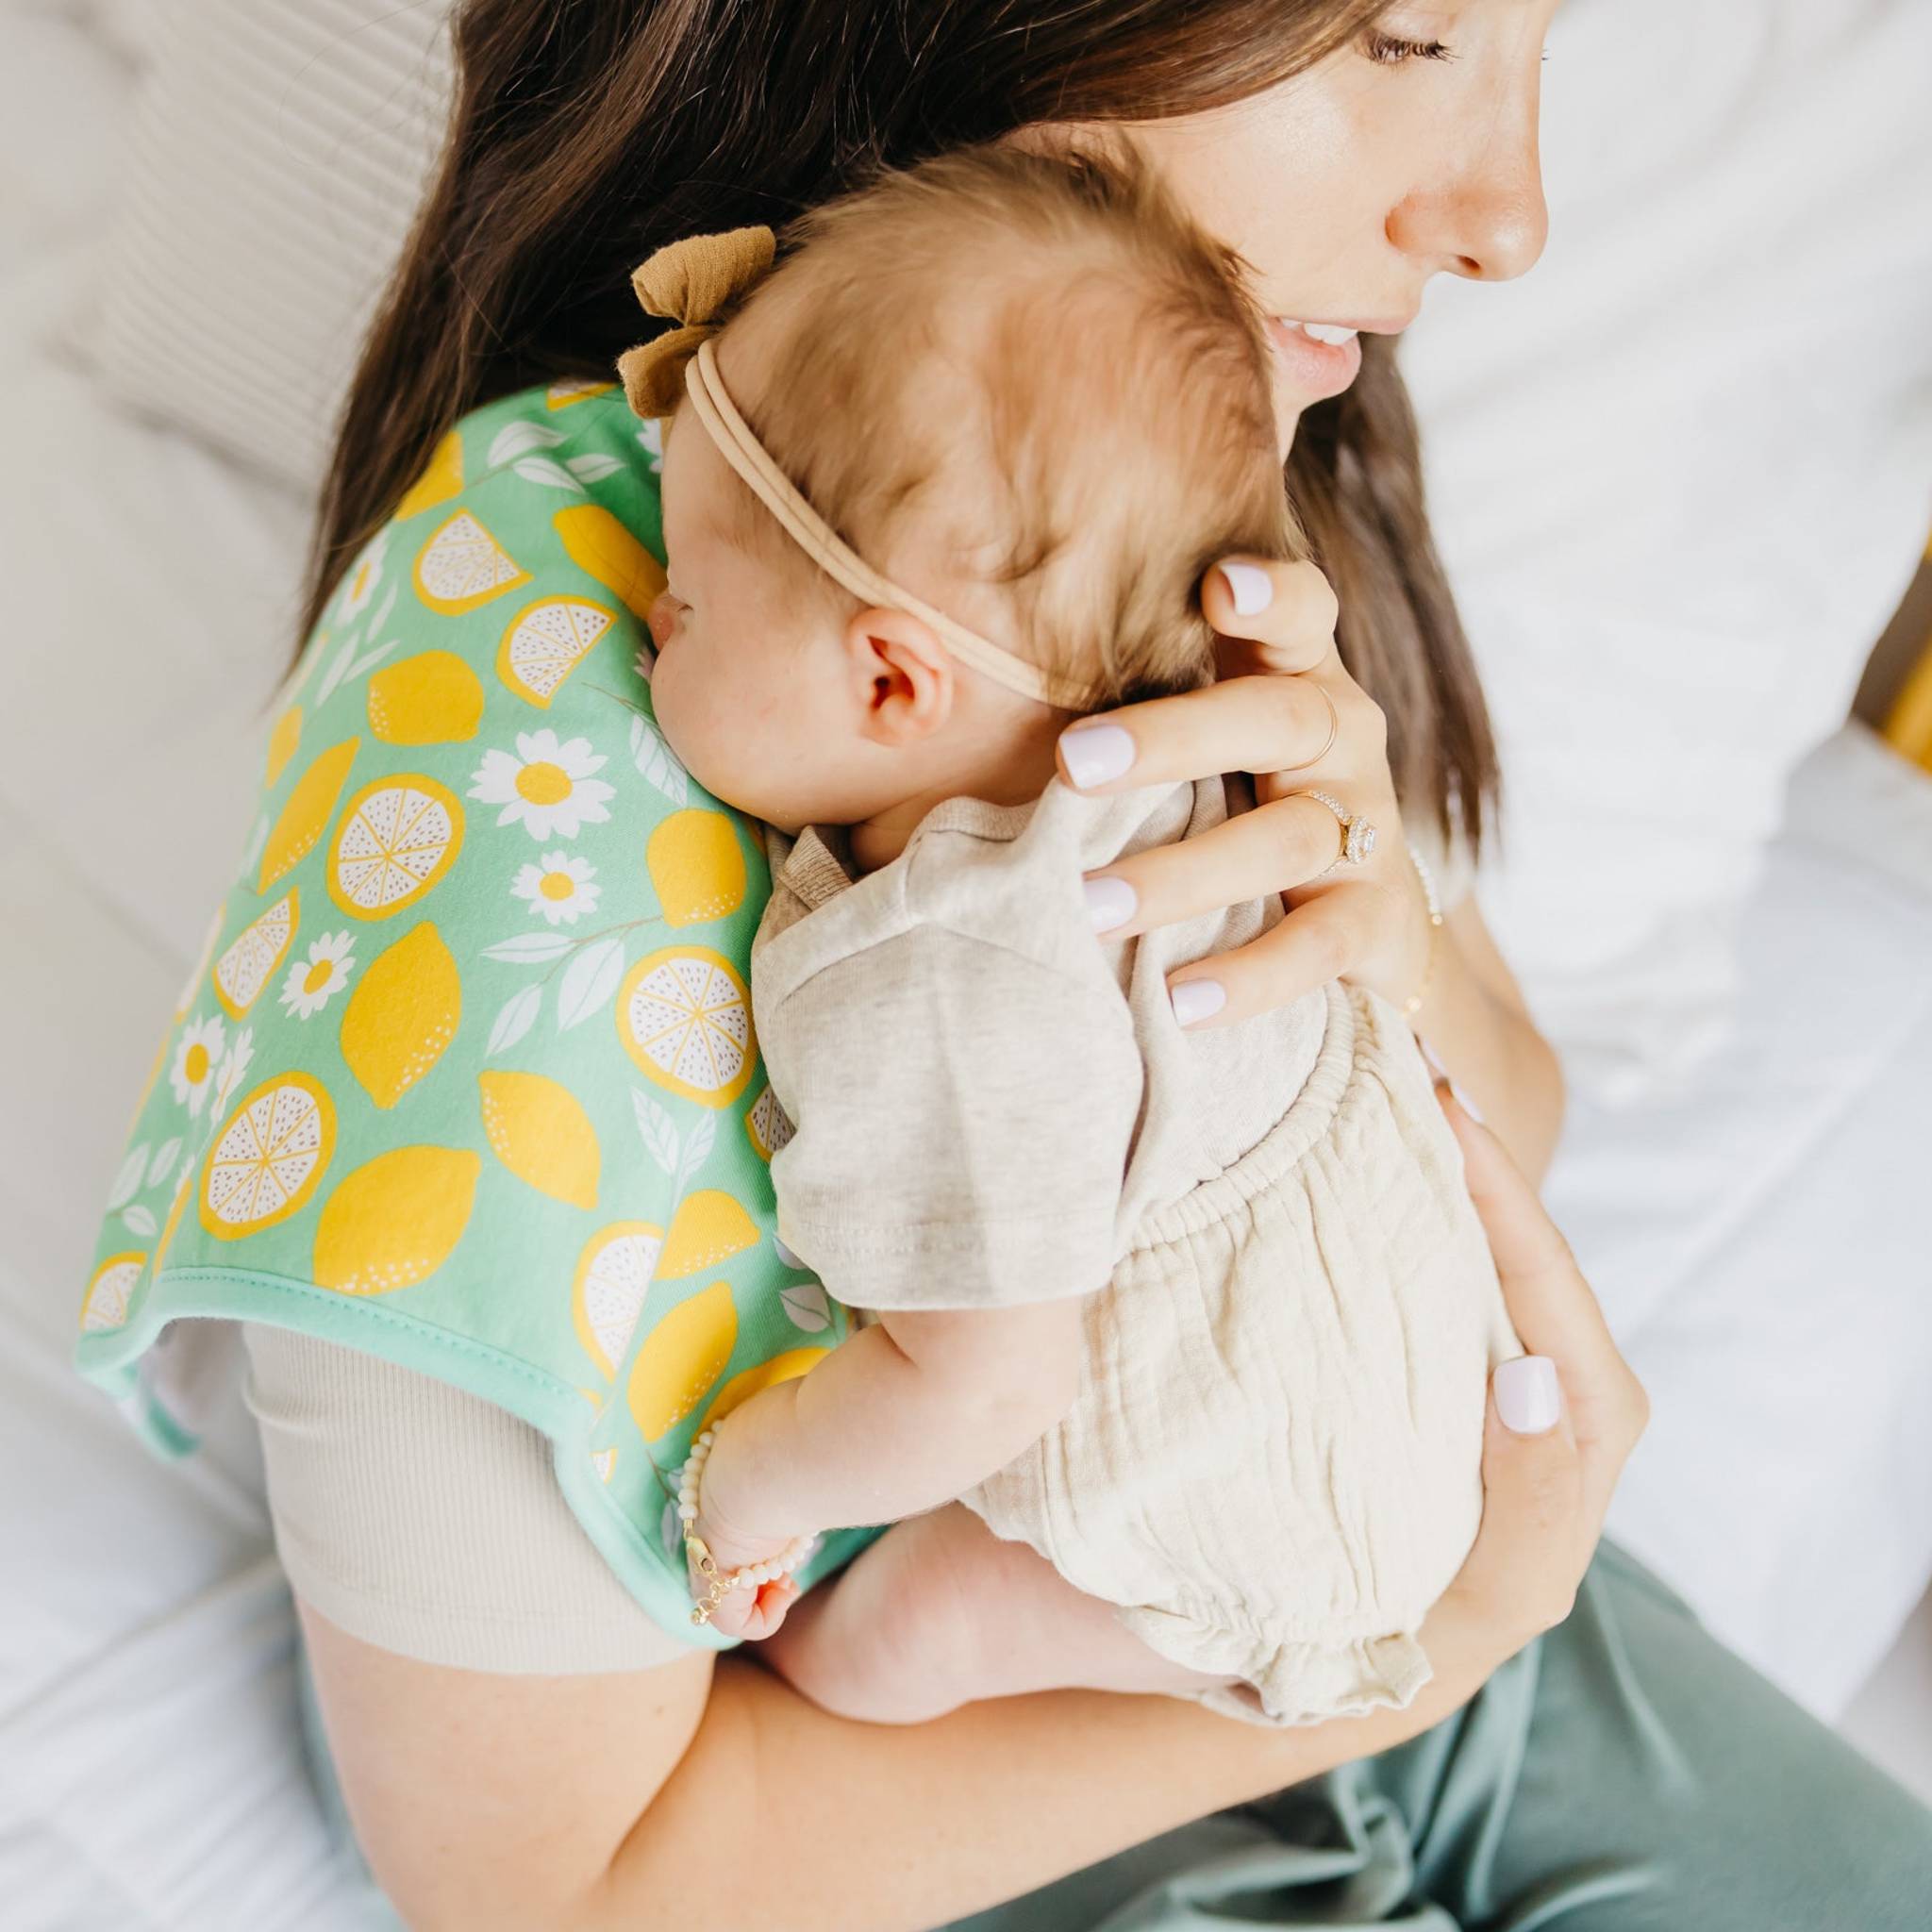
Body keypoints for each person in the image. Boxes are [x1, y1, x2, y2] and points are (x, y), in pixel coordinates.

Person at [82, 4, 1932, 1927]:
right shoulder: (563, 732)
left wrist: (1375, 903)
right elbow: (566, 1887)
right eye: (1403, 36)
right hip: (876, 1762)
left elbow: (1502, 1121)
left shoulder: (1101, 456)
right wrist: (1428, 1639)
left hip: (1292, 1519)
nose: (1507, 214)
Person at [624, 141, 1521, 1729]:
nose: (643, 617)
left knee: (862, 1655)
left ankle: (1239, 1657)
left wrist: (746, 1487)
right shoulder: (1187, 721)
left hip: (1255, 1485)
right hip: (1409, 1365)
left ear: (895, 685)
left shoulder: (945, 967)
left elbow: (985, 1381)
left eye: (684, 597)